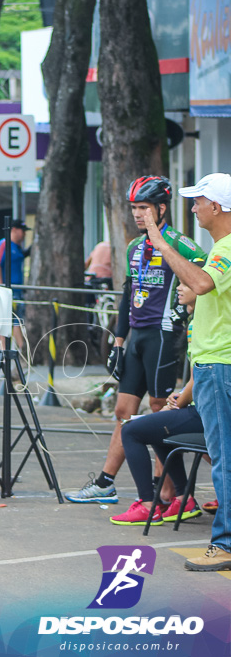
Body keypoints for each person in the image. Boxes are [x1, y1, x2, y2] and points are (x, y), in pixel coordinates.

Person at [65, 176, 207, 504]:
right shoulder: (132, 247)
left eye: (143, 207)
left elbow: (203, 284)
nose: (137, 214)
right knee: (123, 410)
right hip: (137, 338)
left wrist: (185, 314)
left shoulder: (181, 244)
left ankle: (166, 488)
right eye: (133, 208)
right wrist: (117, 341)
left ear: (160, 208)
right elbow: (127, 296)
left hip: (164, 336)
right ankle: (105, 482)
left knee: (159, 412)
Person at [141, 172, 231, 571]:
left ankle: (225, 545)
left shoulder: (225, 248)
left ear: (219, 207)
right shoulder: (221, 249)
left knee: (224, 458)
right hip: (216, 365)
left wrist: (160, 243)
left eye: (199, 201)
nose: (193, 208)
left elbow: (202, 281)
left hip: (219, 365)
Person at [109, 285, 203, 525]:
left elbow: (199, 377)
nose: (179, 288)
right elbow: (197, 378)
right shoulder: (197, 320)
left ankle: (148, 505)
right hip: (204, 407)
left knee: (132, 429)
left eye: (185, 284)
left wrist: (180, 400)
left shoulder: (203, 324)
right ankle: (183, 499)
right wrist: (180, 396)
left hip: (207, 412)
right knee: (157, 426)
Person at [0, 219, 31, 350]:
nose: (24, 234)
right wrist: (1, 287)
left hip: (18, 291)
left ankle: (20, 349)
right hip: (6, 290)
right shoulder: (4, 244)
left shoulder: (18, 247)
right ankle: (10, 350)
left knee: (16, 320)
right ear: (14, 230)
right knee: (8, 320)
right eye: (22, 231)